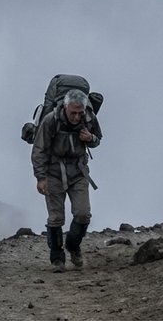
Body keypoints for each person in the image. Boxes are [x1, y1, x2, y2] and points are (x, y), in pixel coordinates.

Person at [31, 88, 102, 271]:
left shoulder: (89, 118)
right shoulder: (51, 120)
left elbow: (97, 140)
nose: (77, 117)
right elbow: (39, 150)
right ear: (65, 106)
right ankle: (57, 259)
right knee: (56, 218)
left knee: (83, 213)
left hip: (78, 173)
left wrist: (90, 138)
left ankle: (73, 245)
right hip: (53, 173)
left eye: (80, 113)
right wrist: (40, 177)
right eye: (73, 113)